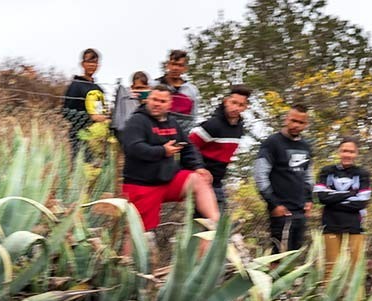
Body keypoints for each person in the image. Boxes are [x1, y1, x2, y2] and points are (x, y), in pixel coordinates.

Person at [118, 86, 219, 233]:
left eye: (162, 101)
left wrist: (198, 167)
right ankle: (128, 257)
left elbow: (188, 147)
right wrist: (162, 151)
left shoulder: (172, 123)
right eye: (154, 99)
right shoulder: (137, 121)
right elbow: (133, 148)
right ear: (148, 99)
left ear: (169, 104)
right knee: (138, 235)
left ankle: (215, 225)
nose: (157, 104)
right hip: (142, 185)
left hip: (168, 181)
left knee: (199, 179)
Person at [255, 105, 313, 253]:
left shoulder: (306, 146)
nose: (296, 125)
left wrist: (308, 200)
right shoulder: (272, 143)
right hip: (281, 211)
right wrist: (274, 204)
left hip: (300, 211)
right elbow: (260, 176)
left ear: (306, 124)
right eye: (293, 120)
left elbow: (307, 175)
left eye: (301, 122)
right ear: (286, 119)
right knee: (277, 254)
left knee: (294, 254)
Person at [314, 137, 372, 279]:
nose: (347, 155)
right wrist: (350, 194)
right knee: (330, 268)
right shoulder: (327, 171)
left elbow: (361, 202)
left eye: (351, 152)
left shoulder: (362, 173)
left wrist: (333, 198)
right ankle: (328, 300)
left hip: (354, 226)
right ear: (339, 152)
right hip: (331, 224)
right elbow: (321, 198)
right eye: (344, 151)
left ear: (356, 154)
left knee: (355, 269)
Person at [188, 84, 250, 215]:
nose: (236, 108)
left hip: (217, 181)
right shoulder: (213, 125)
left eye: (240, 105)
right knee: (210, 220)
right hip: (201, 181)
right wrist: (198, 168)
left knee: (218, 219)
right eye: (233, 102)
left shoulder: (239, 129)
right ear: (226, 101)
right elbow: (189, 145)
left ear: (245, 107)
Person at [62, 48, 108, 158]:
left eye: (95, 62)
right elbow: (66, 112)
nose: (92, 65)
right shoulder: (76, 85)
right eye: (89, 61)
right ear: (83, 64)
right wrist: (90, 117)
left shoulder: (99, 89)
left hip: (97, 138)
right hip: (79, 136)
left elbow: (100, 112)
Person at [153, 50, 200, 132]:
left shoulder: (191, 90)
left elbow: (193, 117)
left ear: (185, 68)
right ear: (168, 65)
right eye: (173, 64)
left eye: (180, 65)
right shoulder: (154, 85)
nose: (175, 68)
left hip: (183, 133)